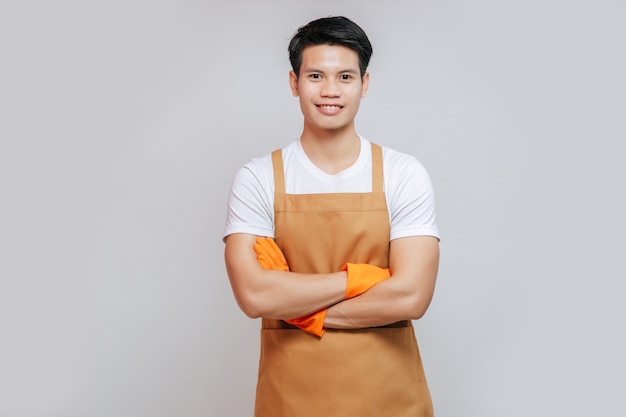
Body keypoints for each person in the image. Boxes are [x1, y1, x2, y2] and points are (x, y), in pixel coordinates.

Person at [223, 16, 440, 417]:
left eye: (345, 76)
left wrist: (299, 309)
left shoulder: (403, 174)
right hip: (291, 400)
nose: (330, 91)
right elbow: (254, 296)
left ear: (365, 84)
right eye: (315, 75)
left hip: (390, 400)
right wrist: (361, 279)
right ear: (294, 83)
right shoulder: (258, 178)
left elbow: (412, 294)